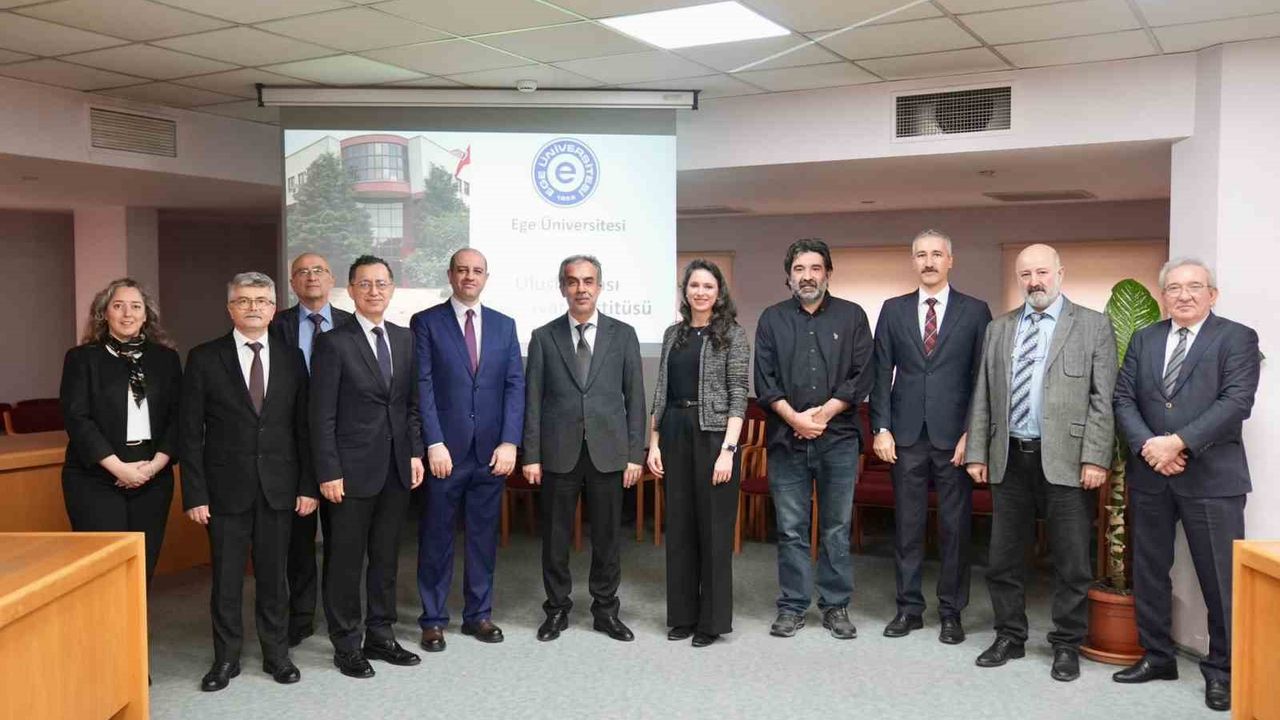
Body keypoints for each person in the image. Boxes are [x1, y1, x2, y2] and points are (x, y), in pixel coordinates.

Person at [1111, 258, 1260, 712]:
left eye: (1194, 286)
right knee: (1149, 570)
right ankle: (1157, 656)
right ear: (1163, 296)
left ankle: (1224, 672)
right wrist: (1149, 447)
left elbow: (1236, 401)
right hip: (1151, 475)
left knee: (1220, 579)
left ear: (1212, 294)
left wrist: (1177, 443)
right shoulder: (1145, 338)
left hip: (1212, 477)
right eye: (1174, 288)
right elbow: (1124, 398)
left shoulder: (1236, 338)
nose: (1184, 295)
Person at [965, 243, 1117, 682]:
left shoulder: (1092, 325)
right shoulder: (999, 328)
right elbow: (983, 394)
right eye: (1026, 274)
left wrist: (1095, 457)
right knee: (1003, 558)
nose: (1035, 282)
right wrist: (977, 451)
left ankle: (1066, 643)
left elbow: (1102, 399)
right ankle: (1009, 635)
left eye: (1042, 272)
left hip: (1068, 460)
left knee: (1072, 561)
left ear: (1060, 273)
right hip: (1009, 456)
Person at [180, 272, 318, 691]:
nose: (253, 307)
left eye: (261, 300)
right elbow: (190, 432)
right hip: (224, 491)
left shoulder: (292, 358)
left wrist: (308, 486)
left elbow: (303, 428)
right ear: (230, 309)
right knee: (226, 580)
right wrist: (195, 493)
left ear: (274, 309)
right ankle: (226, 659)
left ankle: (277, 655)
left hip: (280, 488)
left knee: (275, 578)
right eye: (243, 300)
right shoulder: (204, 357)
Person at [870, 230, 991, 644]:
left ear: (950, 260)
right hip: (905, 437)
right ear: (913, 261)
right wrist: (881, 428)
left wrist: (972, 434)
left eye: (937, 254)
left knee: (955, 529)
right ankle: (908, 609)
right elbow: (880, 373)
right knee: (907, 526)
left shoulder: (975, 311)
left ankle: (951, 612)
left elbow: (983, 378)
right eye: (921, 255)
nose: (929, 261)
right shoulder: (893, 309)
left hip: (955, 438)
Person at [310, 255, 425, 679]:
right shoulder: (333, 343)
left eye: (381, 283)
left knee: (385, 558)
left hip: (395, 468)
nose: (374, 291)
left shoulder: (405, 338)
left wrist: (414, 452)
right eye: (365, 284)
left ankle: (381, 634)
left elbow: (410, 405)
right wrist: (328, 470)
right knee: (345, 560)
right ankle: (346, 643)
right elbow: (320, 414)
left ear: (391, 288)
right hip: (349, 472)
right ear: (351, 290)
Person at [754, 238, 873, 640]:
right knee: (790, 528)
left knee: (836, 527)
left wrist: (822, 415)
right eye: (799, 269)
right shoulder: (771, 319)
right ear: (789, 276)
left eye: (815, 268)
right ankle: (792, 606)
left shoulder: (852, 316)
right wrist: (795, 419)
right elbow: (765, 380)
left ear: (828, 273)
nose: (807, 276)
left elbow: (862, 375)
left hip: (838, 440)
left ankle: (835, 605)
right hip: (786, 440)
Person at [522, 254, 646, 643]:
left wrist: (635, 454)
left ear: (599, 286)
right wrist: (531, 455)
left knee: (607, 537)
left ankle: (605, 611)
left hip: (609, 452)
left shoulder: (623, 334)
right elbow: (533, 400)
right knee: (555, 538)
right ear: (563, 287)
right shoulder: (543, 337)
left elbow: (635, 398)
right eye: (573, 281)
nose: (581, 288)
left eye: (588, 281)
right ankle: (557, 609)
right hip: (558, 452)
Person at [411, 249, 524, 653]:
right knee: (436, 538)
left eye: (477, 271)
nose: (469, 277)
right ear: (450, 275)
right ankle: (433, 619)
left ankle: (479, 614)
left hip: (491, 453)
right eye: (462, 270)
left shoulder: (505, 325)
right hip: (445, 452)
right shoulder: (426, 322)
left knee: (482, 538)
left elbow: (515, 385)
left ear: (486, 277)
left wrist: (510, 441)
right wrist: (433, 442)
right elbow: (422, 385)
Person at [647, 259, 750, 648]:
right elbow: (661, 390)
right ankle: (683, 616)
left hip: (714, 437)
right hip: (674, 430)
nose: (701, 292)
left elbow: (739, 393)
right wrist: (654, 442)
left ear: (719, 292)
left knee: (714, 531)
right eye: (694, 286)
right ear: (685, 291)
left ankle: (711, 621)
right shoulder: (673, 334)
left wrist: (729, 450)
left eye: (708, 286)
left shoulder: (732, 334)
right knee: (679, 528)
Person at [60, 278, 181, 583]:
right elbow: (77, 418)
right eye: (118, 306)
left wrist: (153, 467)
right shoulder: (82, 358)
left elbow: (178, 417)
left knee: (142, 567)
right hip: (95, 477)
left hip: (152, 476)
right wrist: (119, 468)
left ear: (146, 315)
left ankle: (134, 619)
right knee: (104, 569)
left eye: (136, 306)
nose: (128, 313)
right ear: (104, 313)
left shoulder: (166, 359)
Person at [271, 252, 354, 647]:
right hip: (292, 446)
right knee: (298, 540)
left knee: (343, 540)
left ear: (331, 278)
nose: (311, 277)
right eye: (302, 272)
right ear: (292, 282)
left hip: (344, 446)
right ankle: (301, 617)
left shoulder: (353, 324)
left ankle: (341, 616)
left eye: (318, 270)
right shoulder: (275, 325)